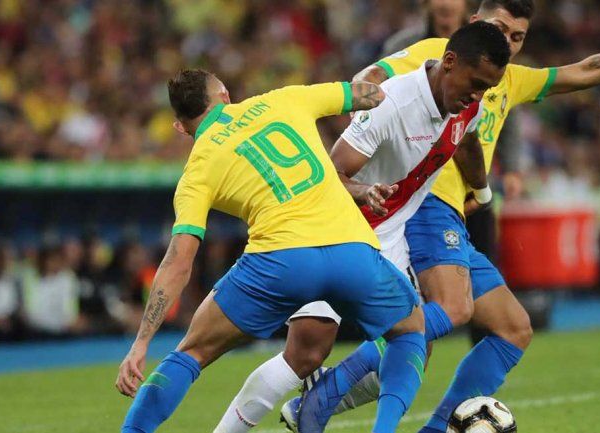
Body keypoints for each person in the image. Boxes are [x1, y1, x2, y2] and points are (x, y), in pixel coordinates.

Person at [283, 1, 600, 433]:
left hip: (456, 215)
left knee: (512, 328)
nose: (508, 41)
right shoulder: (439, 52)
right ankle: (327, 393)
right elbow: (371, 77)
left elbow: (589, 69)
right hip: (423, 204)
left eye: (518, 36)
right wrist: (363, 116)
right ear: (475, 23)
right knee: (446, 312)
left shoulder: (509, 79)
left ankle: (391, 417)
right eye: (500, 29)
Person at [214, 21, 509, 433]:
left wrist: (482, 190)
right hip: (333, 232)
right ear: (449, 62)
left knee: (412, 341)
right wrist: (364, 190)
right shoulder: (393, 103)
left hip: (386, 238)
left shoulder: (466, 106)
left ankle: (328, 410)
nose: (477, 96)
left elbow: (468, 141)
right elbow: (332, 172)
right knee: (305, 354)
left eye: (486, 89)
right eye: (475, 83)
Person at [115, 69, 428, 433]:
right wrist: (382, 79)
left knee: (191, 353)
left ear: (181, 128)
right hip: (351, 250)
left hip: (279, 262)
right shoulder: (282, 99)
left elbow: (178, 263)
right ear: (225, 95)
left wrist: (141, 343)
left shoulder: (196, 171)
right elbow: (370, 95)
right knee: (409, 331)